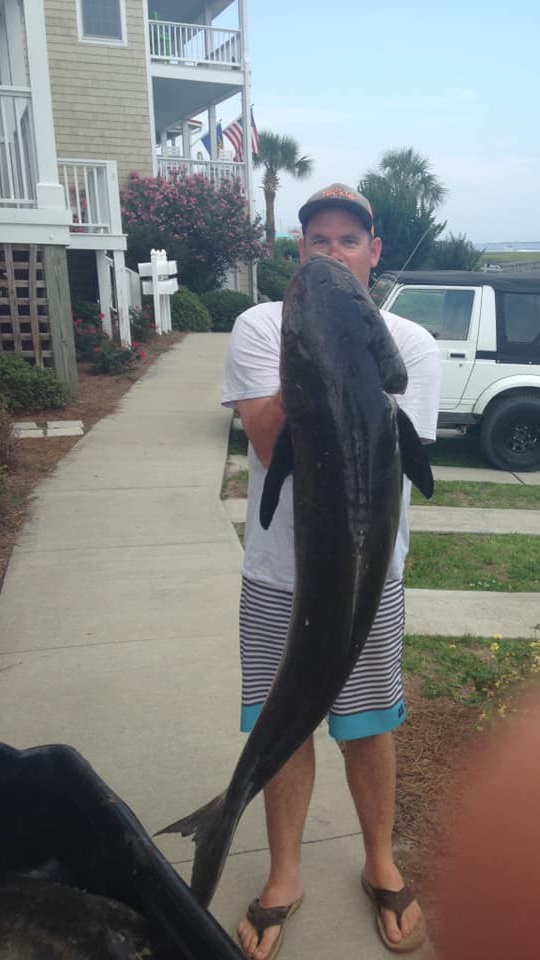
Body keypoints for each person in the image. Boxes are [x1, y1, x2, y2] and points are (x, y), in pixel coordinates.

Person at [222, 183, 441, 959]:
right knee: (280, 724)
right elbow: (266, 445)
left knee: (368, 724)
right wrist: (303, 348)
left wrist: (350, 356)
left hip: (368, 581)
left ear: (374, 253)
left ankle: (379, 861)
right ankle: (284, 874)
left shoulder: (412, 344)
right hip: (278, 577)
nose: (334, 251)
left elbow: (398, 455)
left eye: (350, 240)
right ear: (300, 251)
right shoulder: (257, 328)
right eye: (319, 240)